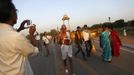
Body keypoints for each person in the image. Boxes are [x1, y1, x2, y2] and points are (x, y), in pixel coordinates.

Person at [0, 0, 38, 75]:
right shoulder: (17, 37)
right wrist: (31, 35)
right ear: (12, 13)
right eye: (16, 11)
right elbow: (33, 52)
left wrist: (20, 28)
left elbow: (8, 36)